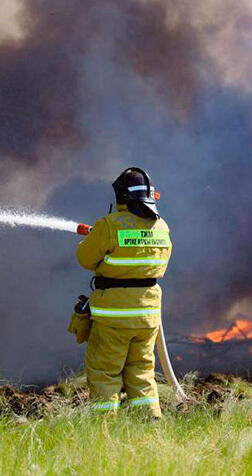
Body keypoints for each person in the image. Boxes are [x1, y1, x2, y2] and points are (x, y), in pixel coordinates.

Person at [76, 167, 172, 418]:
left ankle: (104, 429)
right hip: (147, 317)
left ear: (121, 196)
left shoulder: (109, 225)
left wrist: (95, 239)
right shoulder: (161, 227)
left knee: (105, 372)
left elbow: (85, 258)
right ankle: (150, 424)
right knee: (142, 372)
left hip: (114, 317)